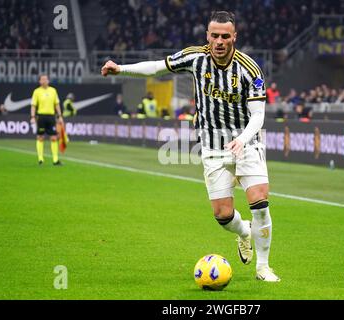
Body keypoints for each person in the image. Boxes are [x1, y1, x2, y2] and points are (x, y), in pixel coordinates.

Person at [101, 11, 280, 282]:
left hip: (246, 143)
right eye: (214, 35)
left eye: (225, 36)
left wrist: (242, 139)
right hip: (211, 146)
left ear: (234, 37)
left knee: (259, 201)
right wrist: (121, 69)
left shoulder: (249, 69)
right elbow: (158, 67)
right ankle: (244, 232)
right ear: (207, 36)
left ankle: (263, 268)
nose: (219, 41)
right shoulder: (195, 57)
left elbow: (258, 115)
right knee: (223, 215)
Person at [30, 74, 63, 165]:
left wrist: (60, 116)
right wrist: (32, 117)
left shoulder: (53, 90)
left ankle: (55, 160)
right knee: (40, 137)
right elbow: (33, 105)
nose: (44, 81)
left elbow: (56, 104)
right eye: (42, 79)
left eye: (46, 79)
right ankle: (40, 159)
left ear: (48, 80)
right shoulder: (36, 91)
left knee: (53, 137)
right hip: (41, 116)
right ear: (39, 81)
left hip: (51, 117)